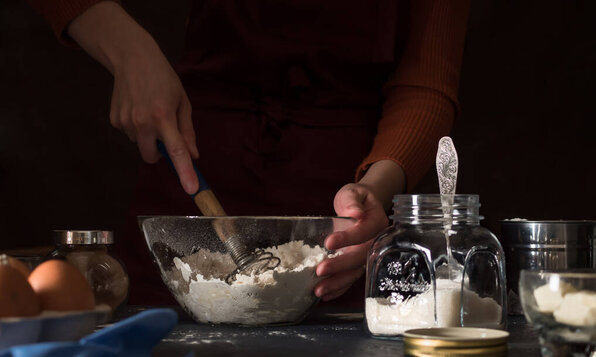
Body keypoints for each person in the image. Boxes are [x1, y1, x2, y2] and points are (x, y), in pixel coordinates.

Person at [27, 0, 470, 305]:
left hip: (333, 207)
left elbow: (426, 84)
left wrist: (375, 187)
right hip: (193, 159)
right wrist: (128, 51)